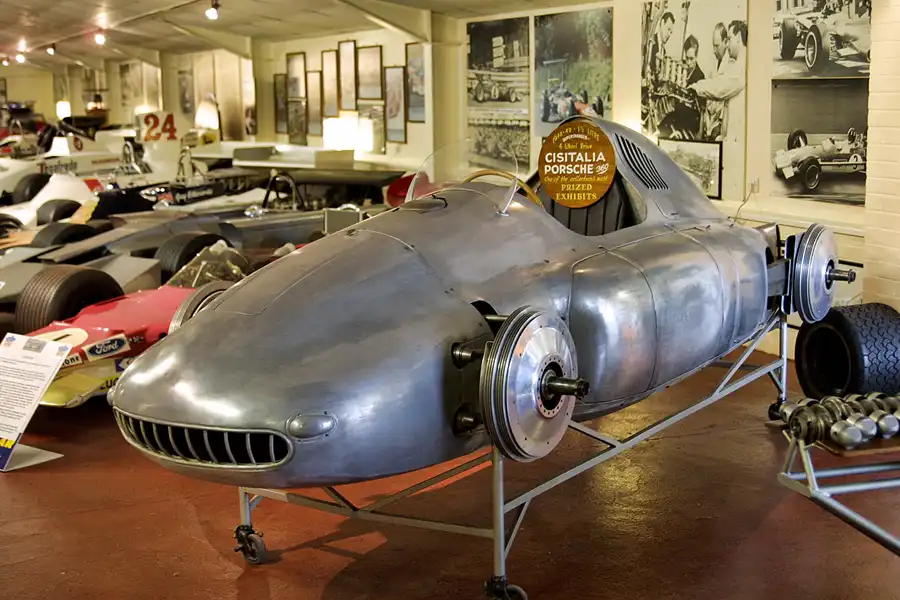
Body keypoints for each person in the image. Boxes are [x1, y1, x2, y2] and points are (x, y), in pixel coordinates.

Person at [690, 20, 747, 141]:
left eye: (730, 39)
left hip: (735, 137)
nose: (728, 45)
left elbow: (720, 88)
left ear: (738, 37)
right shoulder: (739, 64)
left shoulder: (742, 66)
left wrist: (696, 88)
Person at [647, 11, 676, 84]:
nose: (669, 34)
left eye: (671, 32)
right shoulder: (650, 42)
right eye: (668, 29)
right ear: (662, 23)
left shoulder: (664, 52)